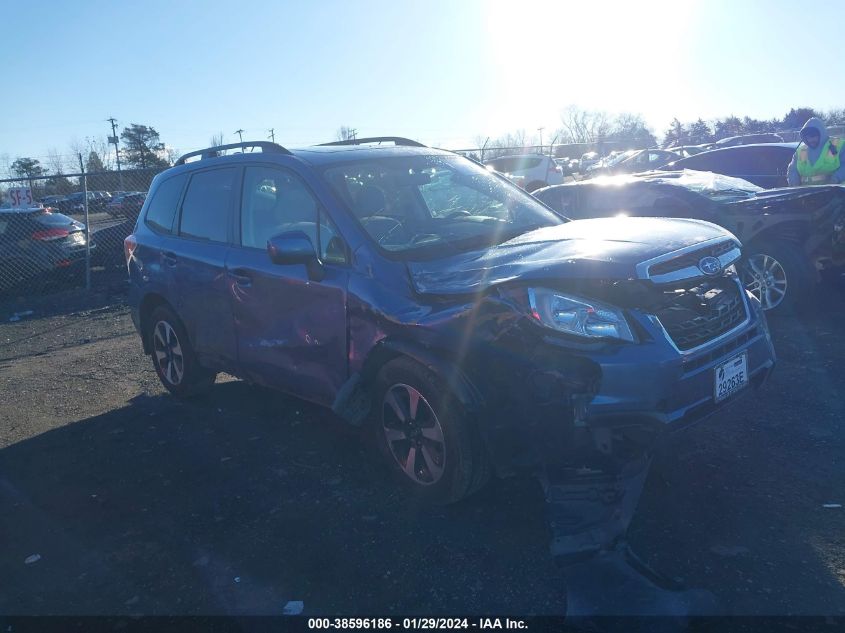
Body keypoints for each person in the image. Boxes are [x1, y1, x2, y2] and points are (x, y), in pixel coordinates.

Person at [787, 117, 845, 186]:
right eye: (808, 137)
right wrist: (794, 185)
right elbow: (792, 170)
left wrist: (835, 179)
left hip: (834, 193)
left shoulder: (839, 145)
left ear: (821, 133)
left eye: (813, 136)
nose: (810, 140)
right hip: (806, 193)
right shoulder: (800, 151)